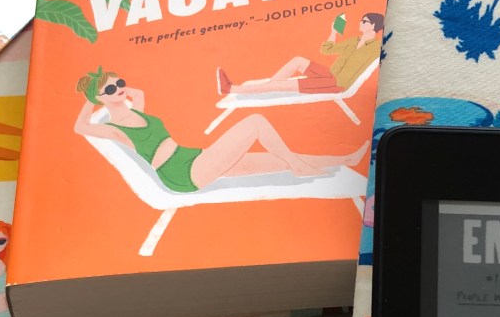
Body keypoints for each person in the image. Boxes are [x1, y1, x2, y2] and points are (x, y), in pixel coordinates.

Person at [74, 68, 368, 191]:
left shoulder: (137, 109)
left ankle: (346, 159)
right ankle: (300, 166)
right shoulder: (113, 128)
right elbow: (80, 127)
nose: (118, 89)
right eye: (110, 89)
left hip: (192, 157)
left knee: (276, 160)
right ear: (99, 98)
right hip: (179, 173)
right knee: (255, 121)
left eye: (119, 83)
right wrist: (91, 97)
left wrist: (113, 87)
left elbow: (137, 93)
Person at [217, 12, 383, 97]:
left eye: (364, 21)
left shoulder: (376, 46)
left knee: (281, 85)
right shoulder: (353, 40)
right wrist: (333, 31)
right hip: (330, 74)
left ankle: (231, 89)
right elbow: (327, 49)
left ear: (373, 25)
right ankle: (268, 87)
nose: (360, 23)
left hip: (337, 84)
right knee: (298, 60)